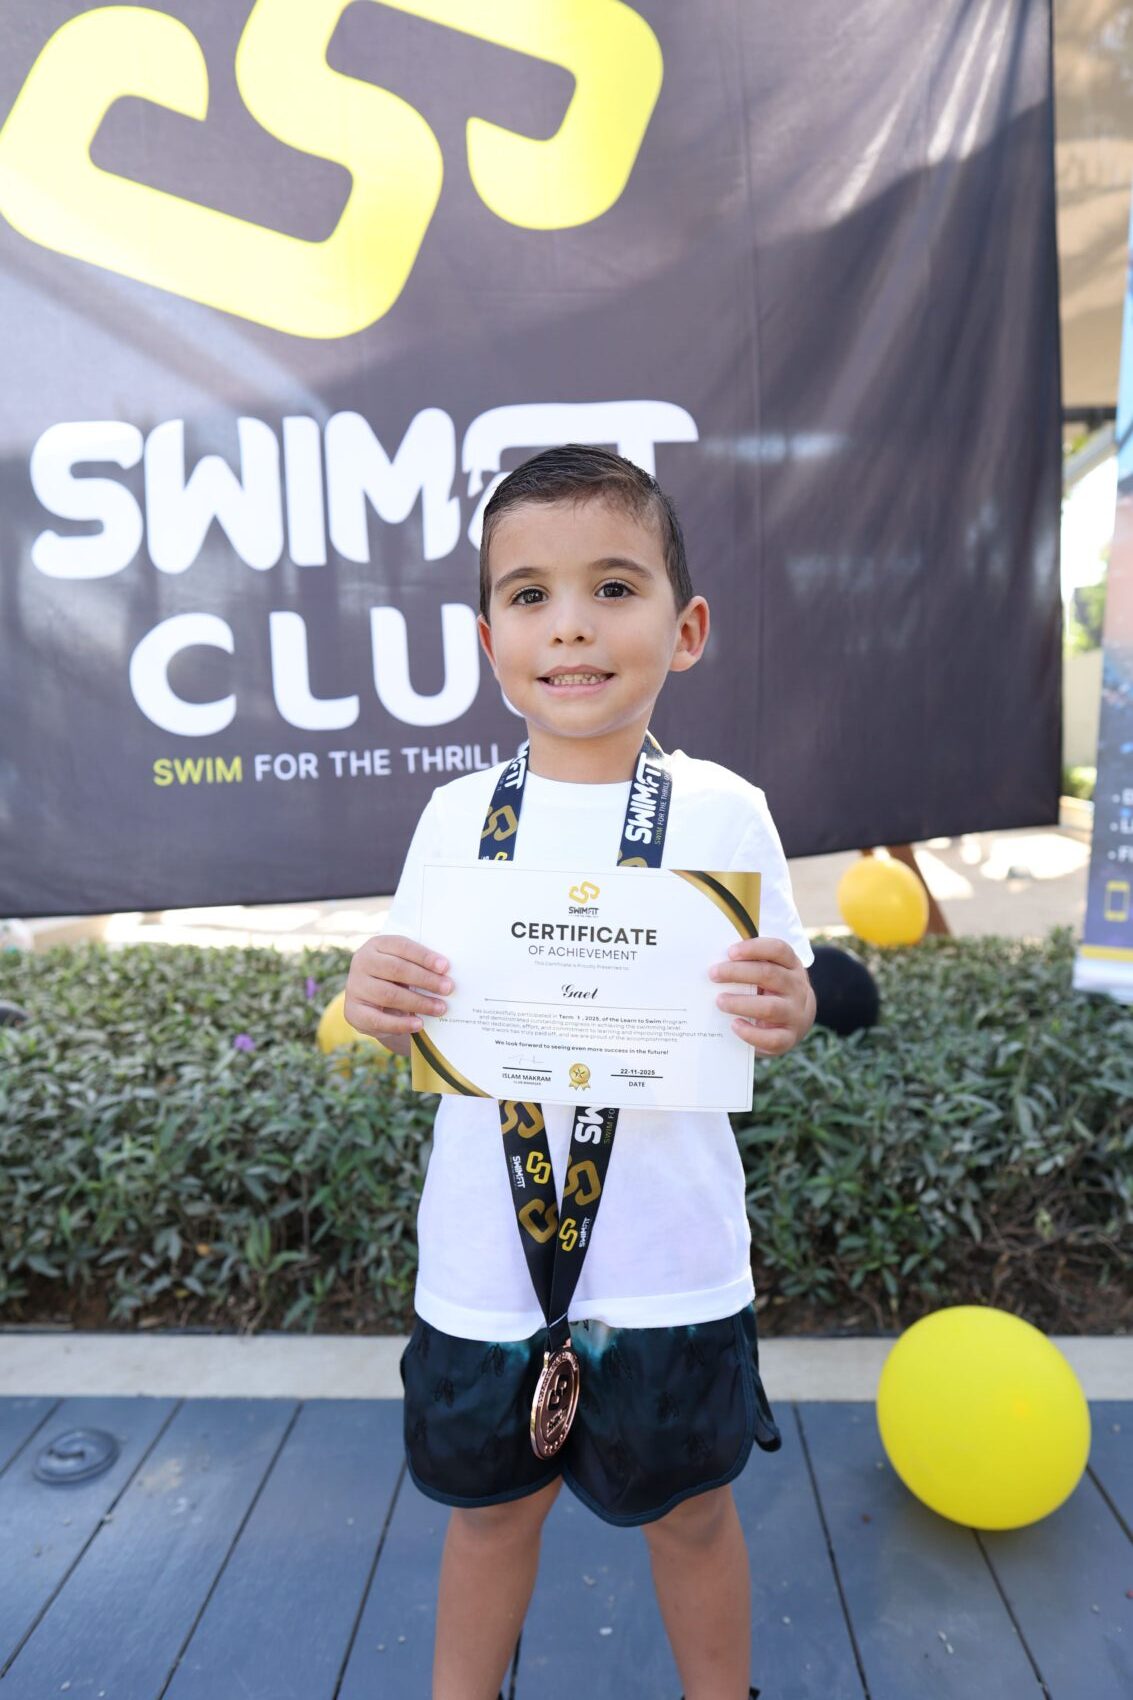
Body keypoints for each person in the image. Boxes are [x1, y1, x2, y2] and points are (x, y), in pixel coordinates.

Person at [345, 445, 816, 1700]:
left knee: (693, 1516)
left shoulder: (722, 812)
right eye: (529, 594)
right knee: (489, 1516)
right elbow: (408, 1001)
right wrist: (375, 997)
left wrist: (789, 1002)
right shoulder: (455, 819)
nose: (569, 624)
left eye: (613, 586)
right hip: (484, 1266)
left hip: (668, 1264)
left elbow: (780, 990)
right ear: (486, 637)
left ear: (686, 626)